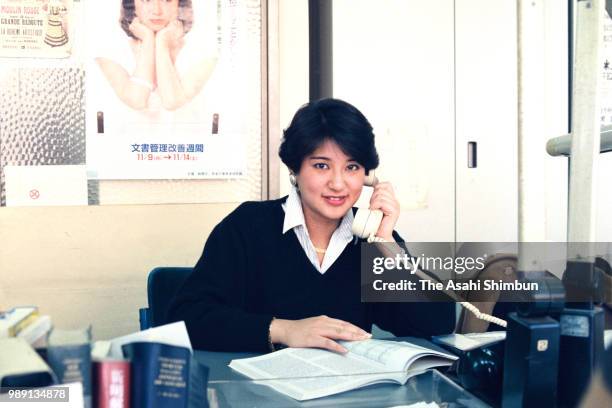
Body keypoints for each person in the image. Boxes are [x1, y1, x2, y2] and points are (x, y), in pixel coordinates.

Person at [168, 98, 455, 352]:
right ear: (295, 169)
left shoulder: (371, 240)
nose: (338, 183)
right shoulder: (248, 227)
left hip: (346, 394)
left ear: (367, 177)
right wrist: (284, 330)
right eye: (321, 165)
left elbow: (435, 323)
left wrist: (387, 243)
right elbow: (185, 318)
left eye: (352, 167)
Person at [95, 0, 217, 111]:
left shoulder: (202, 54)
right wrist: (148, 39)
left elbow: (171, 102)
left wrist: (162, 42)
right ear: (132, 5)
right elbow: (137, 100)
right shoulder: (111, 52)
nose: (157, 11)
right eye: (146, 0)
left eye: (167, 0)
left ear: (180, 4)